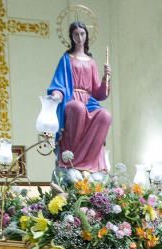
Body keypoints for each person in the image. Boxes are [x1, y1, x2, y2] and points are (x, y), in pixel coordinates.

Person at [47, 21, 111, 171]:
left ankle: (90, 162)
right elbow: (59, 83)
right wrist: (57, 94)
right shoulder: (66, 59)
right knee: (78, 108)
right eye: (76, 34)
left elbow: (98, 93)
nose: (79, 37)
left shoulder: (91, 62)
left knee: (105, 116)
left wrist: (105, 79)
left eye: (82, 34)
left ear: (86, 36)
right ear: (71, 36)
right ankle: (72, 159)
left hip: (89, 101)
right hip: (71, 99)